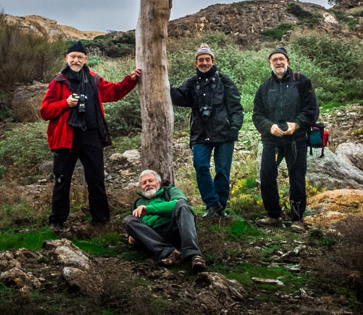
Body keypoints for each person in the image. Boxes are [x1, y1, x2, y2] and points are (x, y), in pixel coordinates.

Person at [40, 41, 141, 230]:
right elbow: (44, 111)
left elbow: (114, 92)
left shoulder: (94, 80)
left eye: (80, 57)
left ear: (85, 59)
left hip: (91, 136)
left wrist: (131, 79)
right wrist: (65, 103)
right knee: (62, 180)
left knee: (96, 179)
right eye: (73, 57)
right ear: (67, 58)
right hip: (66, 138)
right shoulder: (58, 82)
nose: (76, 60)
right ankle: (57, 221)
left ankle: (100, 221)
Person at [170, 43, 243, 218]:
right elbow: (178, 96)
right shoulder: (191, 83)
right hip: (200, 134)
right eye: (201, 60)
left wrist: (234, 128)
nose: (204, 63)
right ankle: (212, 204)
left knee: (222, 171)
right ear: (196, 63)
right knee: (200, 165)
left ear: (213, 61)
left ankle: (221, 207)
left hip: (224, 133)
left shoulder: (224, 81)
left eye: (207, 59)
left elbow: (236, 107)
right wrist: (164, 84)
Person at [252, 46, 319, 229]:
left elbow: (312, 110)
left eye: (281, 59)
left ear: (287, 61)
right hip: (271, 139)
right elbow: (257, 115)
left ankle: (297, 219)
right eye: (275, 60)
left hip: (296, 139)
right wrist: (269, 126)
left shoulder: (302, 81)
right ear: (270, 63)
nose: (278, 62)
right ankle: (273, 216)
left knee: (296, 177)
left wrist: (296, 124)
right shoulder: (265, 87)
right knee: (267, 176)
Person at [122, 169, 207, 271]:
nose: (148, 184)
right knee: (128, 220)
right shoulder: (138, 203)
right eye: (144, 183)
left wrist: (148, 209)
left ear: (158, 182)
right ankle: (170, 253)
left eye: (150, 181)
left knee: (182, 205)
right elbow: (137, 223)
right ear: (141, 187)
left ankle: (193, 254)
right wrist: (132, 235)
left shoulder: (171, 191)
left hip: (175, 229)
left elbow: (179, 203)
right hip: (154, 236)